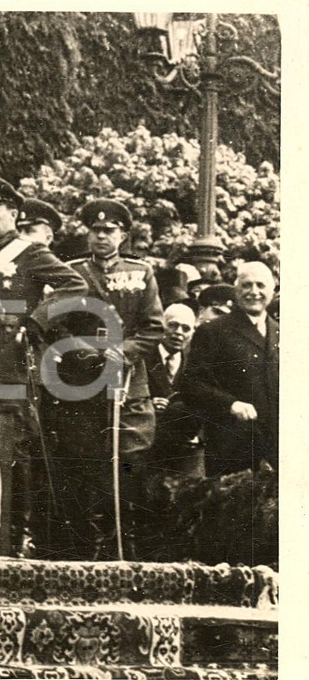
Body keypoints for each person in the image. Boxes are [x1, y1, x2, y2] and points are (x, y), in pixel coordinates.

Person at [0, 178, 88, 557]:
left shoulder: (31, 254)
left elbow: (74, 286)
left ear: (14, 213)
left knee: (16, 454)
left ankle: (20, 537)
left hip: (12, 370)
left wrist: (37, 320)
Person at [51, 199, 164, 560]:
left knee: (129, 463)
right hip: (82, 385)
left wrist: (124, 351)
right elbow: (57, 322)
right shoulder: (71, 272)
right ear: (88, 233)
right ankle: (90, 553)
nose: (102, 237)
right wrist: (85, 352)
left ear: (123, 235)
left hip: (128, 385)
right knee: (86, 466)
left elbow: (153, 327)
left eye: (110, 231)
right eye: (96, 230)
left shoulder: (141, 272)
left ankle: (127, 550)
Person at [178, 261, 279, 478]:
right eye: (246, 285)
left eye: (261, 286)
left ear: (272, 290)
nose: (254, 292)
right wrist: (230, 404)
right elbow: (191, 385)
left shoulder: (282, 332)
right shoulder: (213, 331)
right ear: (236, 290)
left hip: (276, 446)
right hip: (231, 445)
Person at [145, 303, 202, 479]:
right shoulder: (143, 357)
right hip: (146, 444)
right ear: (162, 325)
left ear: (192, 333)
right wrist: (147, 404)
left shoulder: (195, 363)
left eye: (186, 328)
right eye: (173, 325)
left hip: (179, 451)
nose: (179, 333)